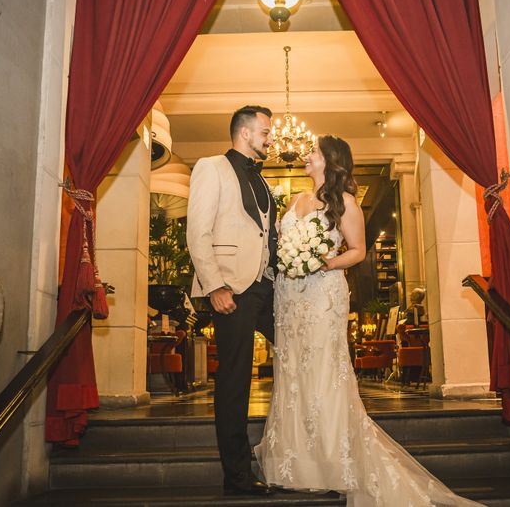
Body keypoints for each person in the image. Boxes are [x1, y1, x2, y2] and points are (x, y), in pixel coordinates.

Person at [254, 135, 482, 506]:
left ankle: (330, 461)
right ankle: (294, 462)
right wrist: (289, 263)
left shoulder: (346, 203)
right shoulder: (295, 200)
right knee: (292, 371)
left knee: (324, 371)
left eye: (313, 152)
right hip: (289, 296)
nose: (307, 156)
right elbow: (279, 246)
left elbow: (358, 251)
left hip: (322, 294)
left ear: (330, 160)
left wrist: (321, 261)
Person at [186, 105, 278, 496]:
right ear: (244, 133)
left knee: (302, 353)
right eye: (265, 133)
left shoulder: (265, 182)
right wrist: (214, 286)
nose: (270, 139)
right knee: (236, 380)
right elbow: (197, 231)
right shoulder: (211, 167)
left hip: (266, 288)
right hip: (230, 290)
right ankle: (237, 476)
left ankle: (301, 452)